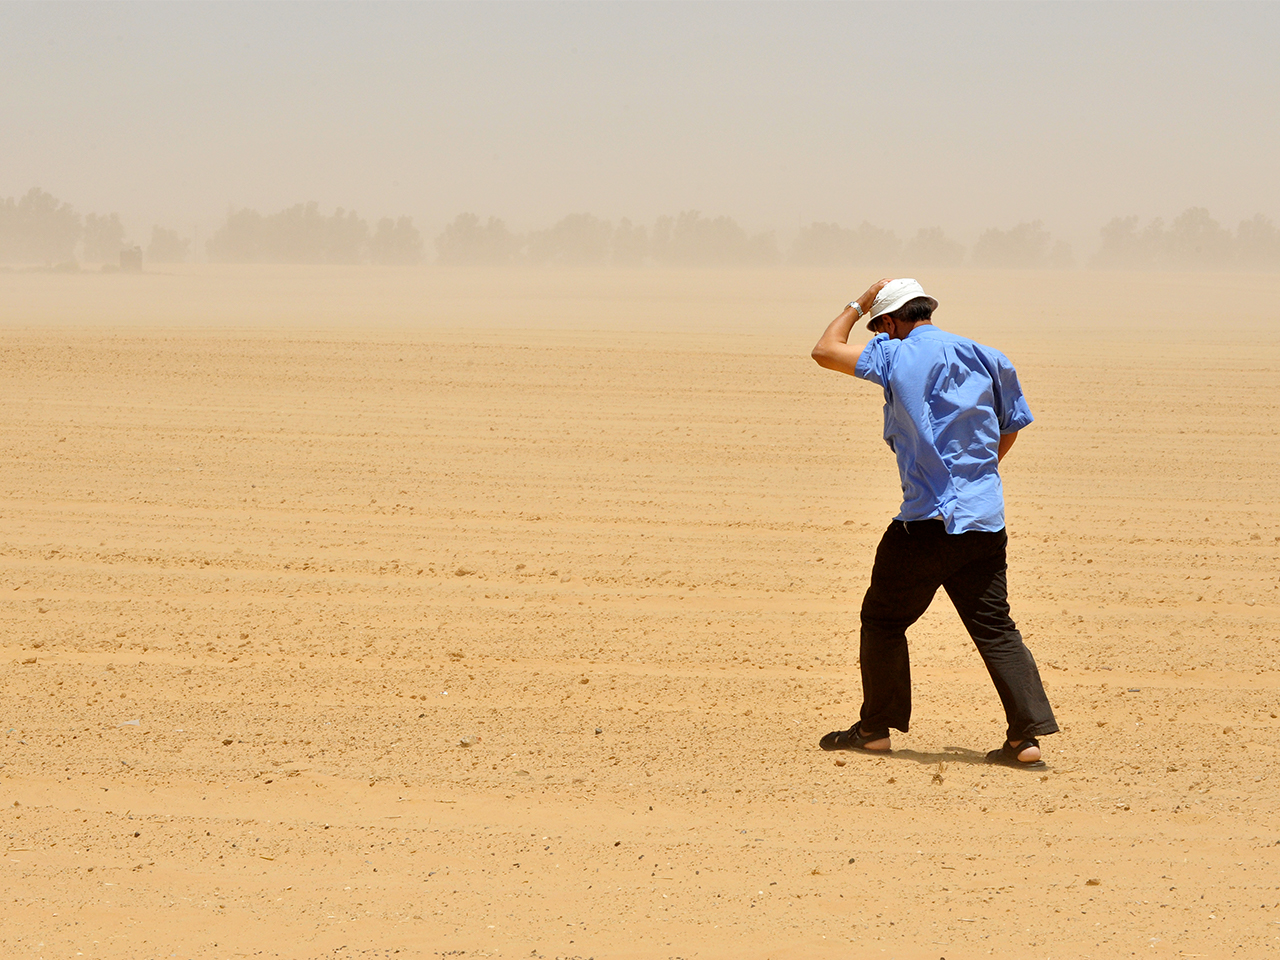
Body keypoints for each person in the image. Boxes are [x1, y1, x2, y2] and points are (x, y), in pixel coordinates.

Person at [810, 278, 1058, 768]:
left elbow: (824, 349)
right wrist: (974, 482)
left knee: (882, 621)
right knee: (995, 628)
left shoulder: (891, 354)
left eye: (879, 324)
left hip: (924, 523)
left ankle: (875, 729)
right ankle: (1025, 739)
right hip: (984, 520)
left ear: (887, 322)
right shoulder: (988, 355)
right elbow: (1010, 428)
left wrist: (858, 302)